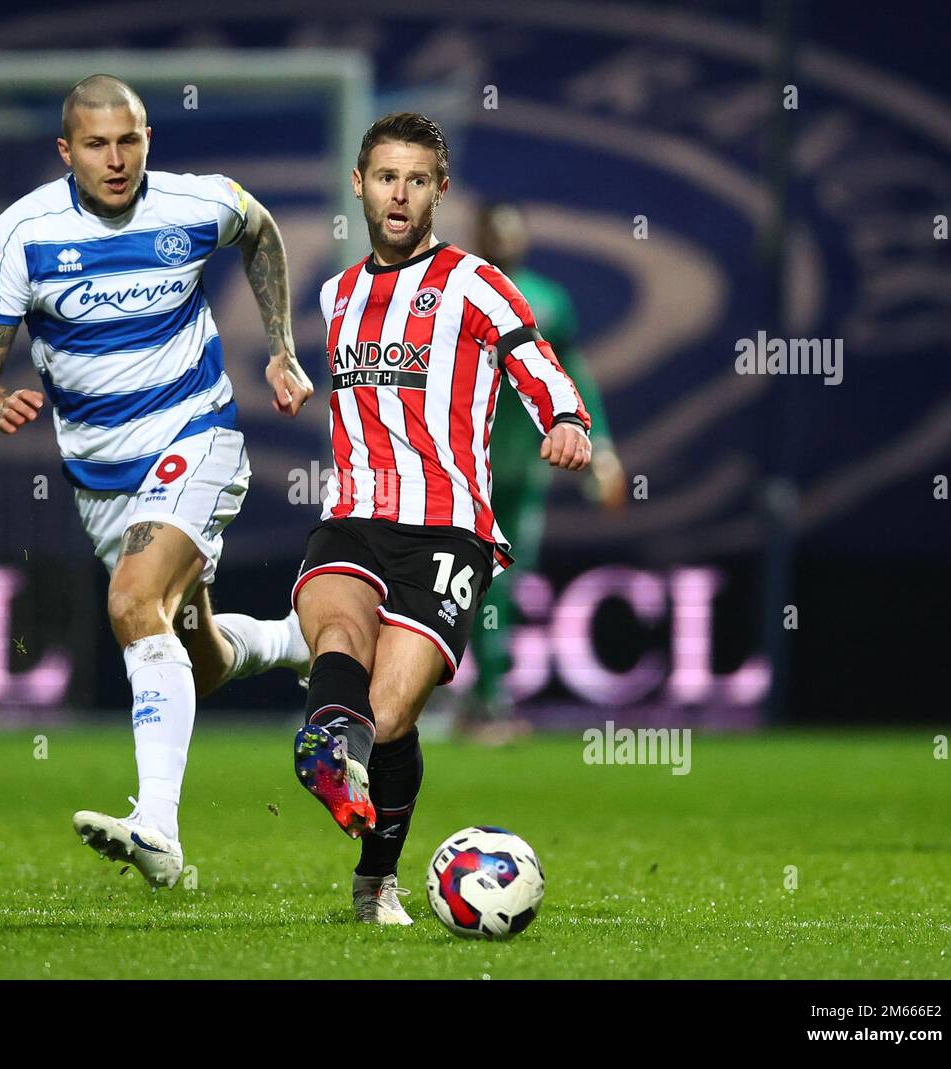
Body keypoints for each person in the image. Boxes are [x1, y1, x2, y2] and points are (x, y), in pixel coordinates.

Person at [0, 75, 314, 890]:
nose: (115, 161)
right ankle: (296, 642)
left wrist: (282, 347)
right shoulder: (22, 234)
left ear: (149, 138)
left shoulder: (196, 205)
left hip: (200, 437)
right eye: (96, 144)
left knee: (128, 602)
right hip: (101, 481)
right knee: (201, 656)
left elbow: (259, 230)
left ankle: (157, 826)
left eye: (130, 141)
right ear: (66, 150)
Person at [289, 113, 591, 925]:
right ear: (358, 184)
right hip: (350, 515)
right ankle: (324, 743)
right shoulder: (338, 293)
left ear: (439, 191)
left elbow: (534, 358)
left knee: (388, 718)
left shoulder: (475, 282)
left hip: (447, 530)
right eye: (386, 177)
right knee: (335, 638)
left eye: (417, 180)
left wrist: (566, 418)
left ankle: (373, 878)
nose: (400, 194)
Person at [461, 204, 627, 743]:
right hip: (464, 465)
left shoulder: (550, 302)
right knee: (463, 581)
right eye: (494, 230)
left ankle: (486, 699)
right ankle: (470, 697)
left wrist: (596, 444)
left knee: (501, 582)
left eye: (510, 230)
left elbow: (571, 372)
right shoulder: (456, 293)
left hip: (525, 467)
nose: (503, 239)